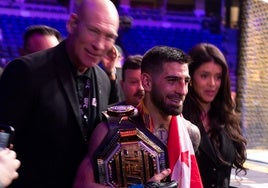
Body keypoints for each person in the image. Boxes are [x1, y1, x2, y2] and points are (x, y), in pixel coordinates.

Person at [0, 0, 120, 187]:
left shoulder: (103, 79)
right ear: (72, 24)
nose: (99, 44)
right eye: (94, 31)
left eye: (109, 36)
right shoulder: (26, 71)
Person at [73, 46, 203, 188]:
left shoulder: (191, 133)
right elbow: (82, 184)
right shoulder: (111, 128)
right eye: (172, 80)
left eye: (186, 81)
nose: (182, 90)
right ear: (147, 82)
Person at [182, 43, 247, 188]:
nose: (212, 84)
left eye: (218, 77)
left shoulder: (227, 118)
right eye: (204, 76)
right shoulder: (179, 119)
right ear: (190, 78)